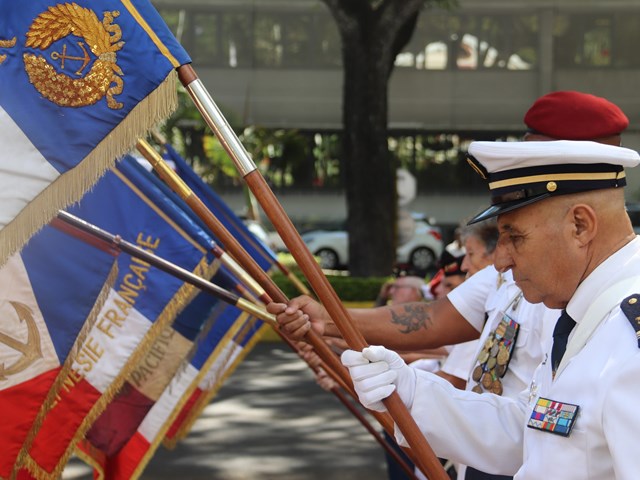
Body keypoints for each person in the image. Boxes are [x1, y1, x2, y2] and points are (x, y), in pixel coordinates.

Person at [340, 140, 640, 478]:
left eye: (515, 237)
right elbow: (530, 431)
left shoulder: (629, 338)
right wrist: (410, 391)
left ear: (580, 226)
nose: (500, 261)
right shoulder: (589, 315)